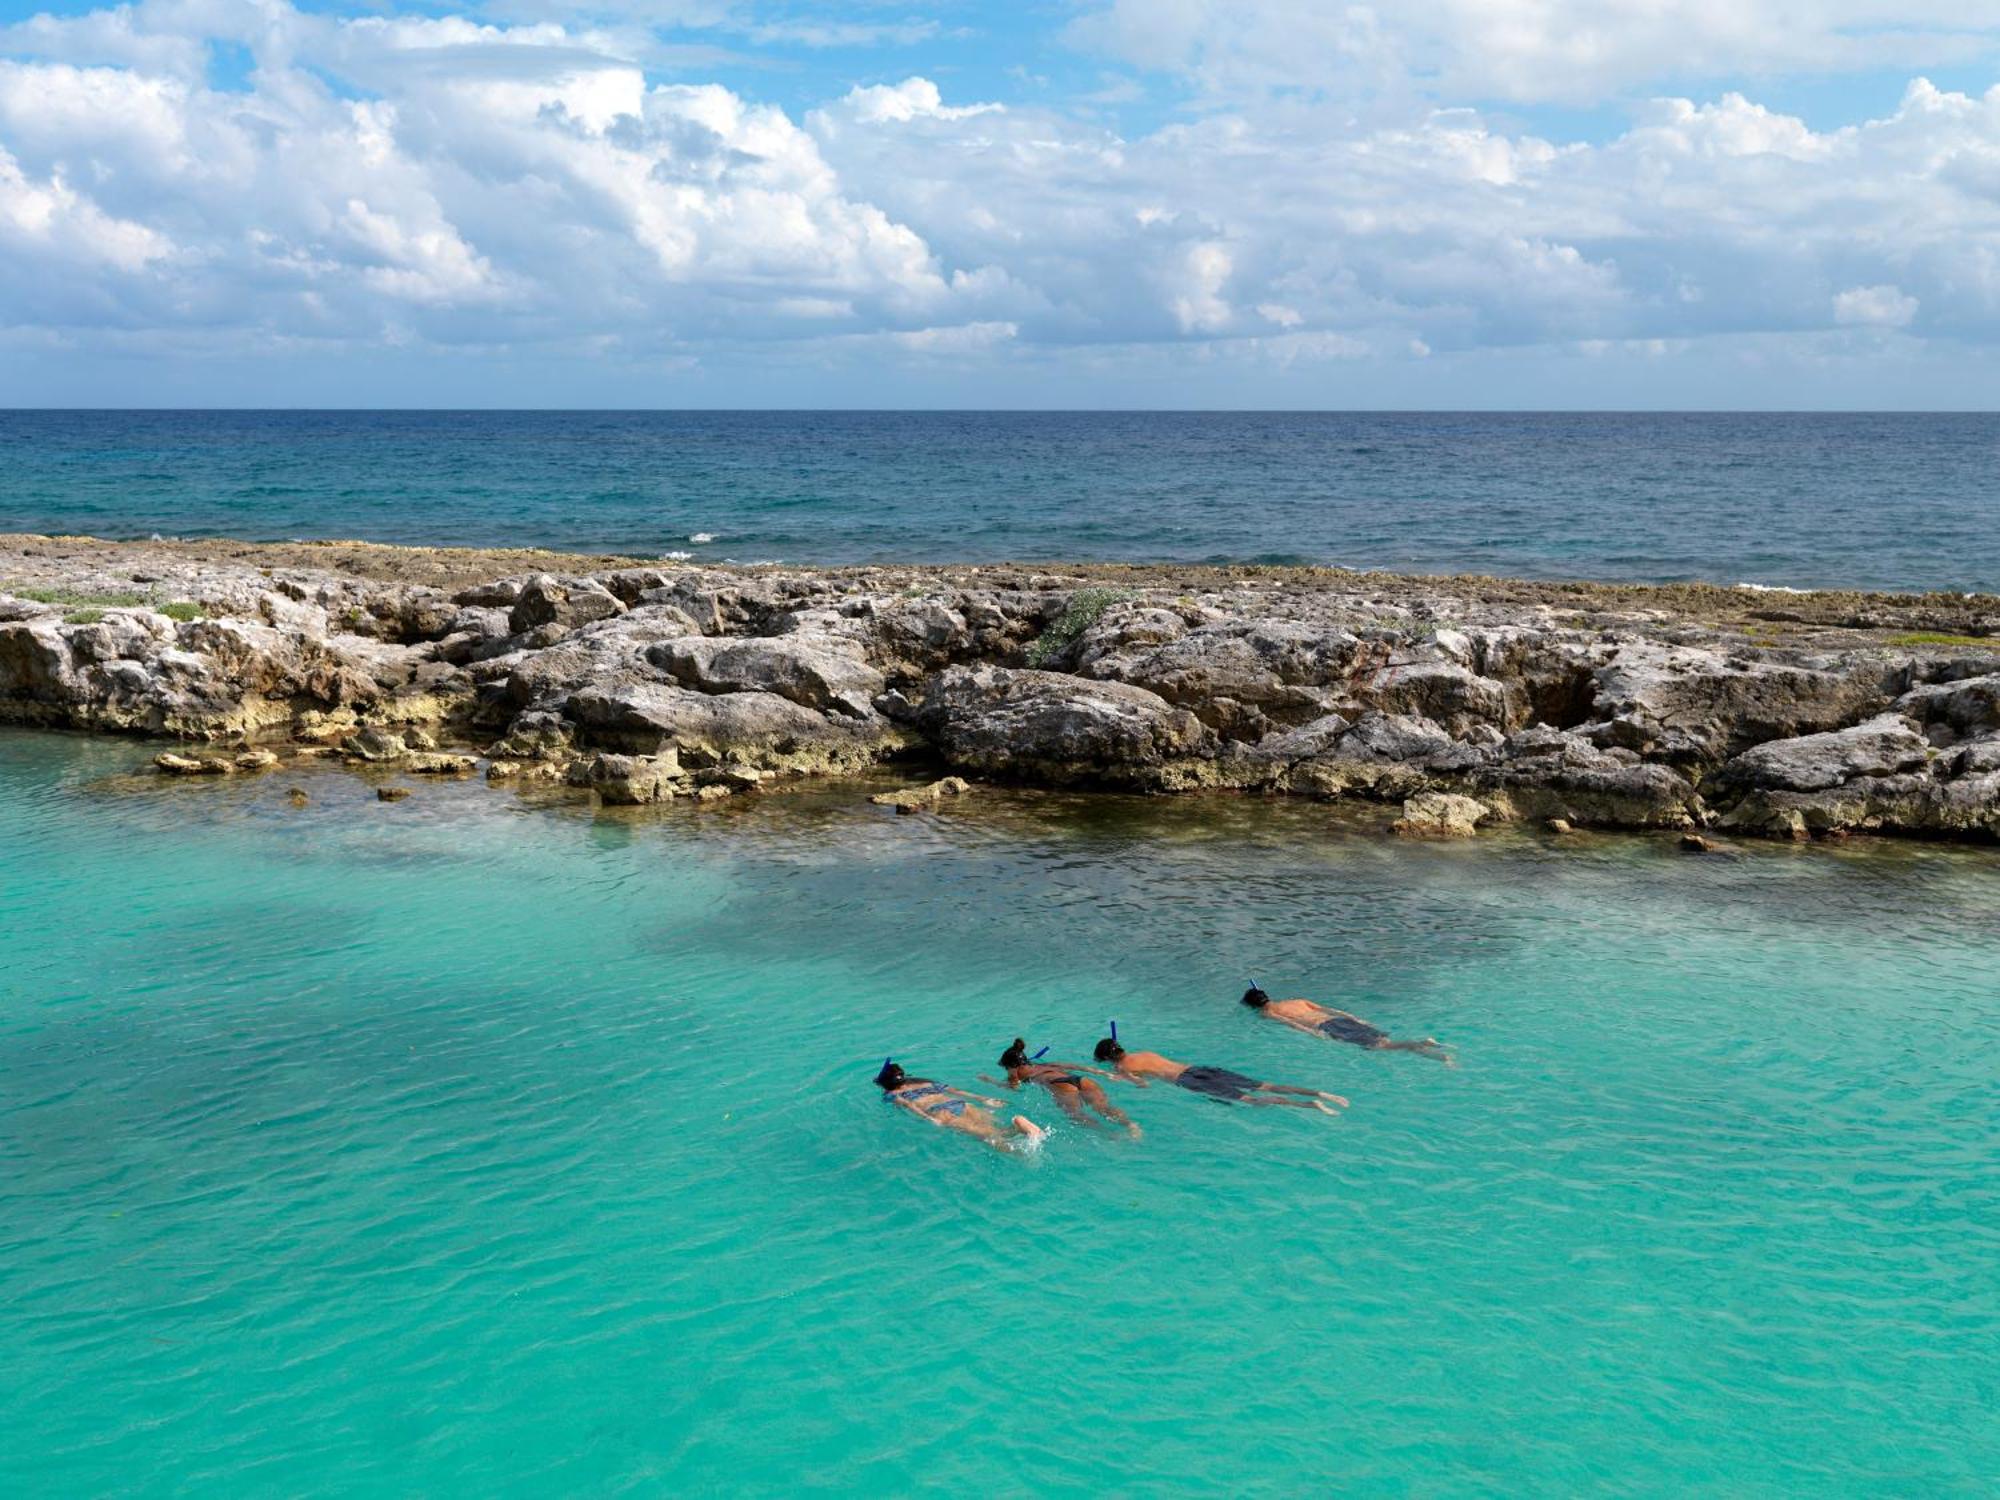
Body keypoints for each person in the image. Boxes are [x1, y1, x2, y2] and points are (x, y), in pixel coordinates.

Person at [1091, 1036, 1346, 1112]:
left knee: (1249, 1100)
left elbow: (1142, 1085)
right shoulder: (1146, 1051)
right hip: (1195, 1068)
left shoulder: (1123, 1067)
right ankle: (1320, 1093)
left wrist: (1119, 1077)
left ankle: (1309, 1105)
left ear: (1107, 1059)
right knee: (1264, 1086)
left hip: (1187, 1080)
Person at [1240, 986, 1453, 1063]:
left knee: (1379, 1048)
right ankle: (1438, 1056)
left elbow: (1291, 1024)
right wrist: (1354, 1018)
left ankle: (1423, 1042)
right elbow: (1329, 1008)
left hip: (1328, 1028)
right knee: (1386, 1042)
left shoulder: (1268, 1012)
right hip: (1339, 1020)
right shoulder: (1297, 1000)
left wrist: (1312, 1034)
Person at [874, 1060, 1046, 1152]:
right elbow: (955, 1090)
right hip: (963, 1104)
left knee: (989, 1139)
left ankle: (1022, 1156)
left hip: (941, 1112)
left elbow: (910, 1106)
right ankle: (1019, 1125)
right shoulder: (923, 1082)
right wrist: (983, 1099)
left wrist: (930, 1120)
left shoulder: (891, 1094)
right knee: (995, 1129)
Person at [982, 1038, 1141, 1137]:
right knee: (1104, 1108)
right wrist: (1104, 1073)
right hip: (1082, 1080)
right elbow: (1073, 1066)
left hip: (1060, 1085)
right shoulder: (1043, 1064)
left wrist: (990, 1081)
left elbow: (1014, 1088)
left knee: (1076, 1116)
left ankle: (1111, 1135)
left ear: (1012, 1066)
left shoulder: (1017, 1075)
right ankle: (1131, 1125)